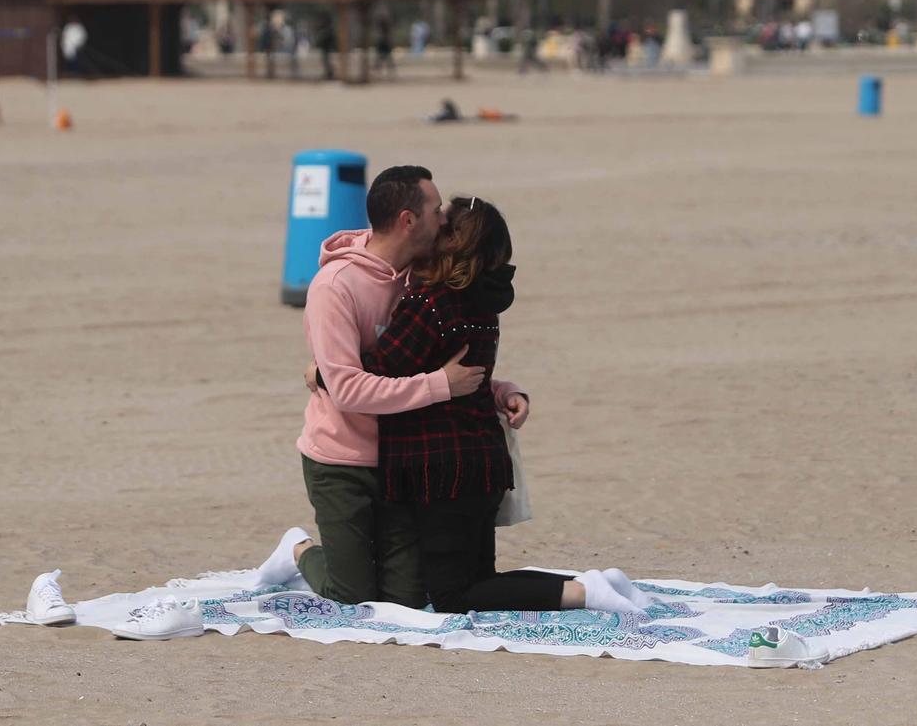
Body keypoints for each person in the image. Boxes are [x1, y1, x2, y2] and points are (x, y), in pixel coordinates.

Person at [249, 166, 527, 608]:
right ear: (408, 220)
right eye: (436, 210)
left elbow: (444, 359)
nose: (444, 220)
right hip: (340, 461)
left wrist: (498, 390)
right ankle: (298, 550)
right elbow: (350, 391)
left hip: (400, 461)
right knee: (352, 595)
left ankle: (359, 559)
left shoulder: (424, 277)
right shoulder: (335, 287)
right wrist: (439, 386)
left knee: (406, 601)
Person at [358, 196, 651, 614]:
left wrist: (322, 372)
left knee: (453, 596)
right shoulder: (483, 303)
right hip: (483, 459)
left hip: (441, 467)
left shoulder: (431, 304)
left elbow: (377, 370)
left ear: (452, 242)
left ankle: (584, 593)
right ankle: (596, 585)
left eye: (441, 224)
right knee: (480, 583)